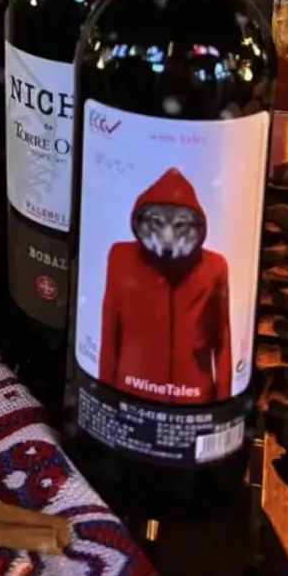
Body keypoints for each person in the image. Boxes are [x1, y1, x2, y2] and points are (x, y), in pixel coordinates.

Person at [98, 167, 233, 404]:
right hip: (130, 398)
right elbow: (110, 333)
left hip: (195, 401)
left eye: (180, 225)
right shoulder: (120, 258)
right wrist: (104, 398)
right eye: (157, 223)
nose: (168, 237)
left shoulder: (214, 267)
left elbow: (222, 341)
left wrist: (223, 404)